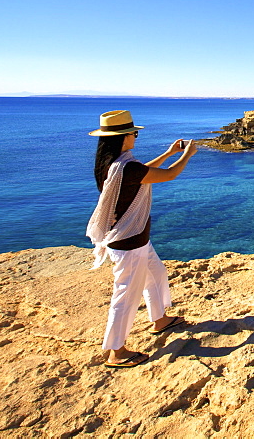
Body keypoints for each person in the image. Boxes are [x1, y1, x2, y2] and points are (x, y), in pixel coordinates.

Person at [85, 109, 197, 368]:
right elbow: (169, 175)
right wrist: (187, 156)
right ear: (124, 136)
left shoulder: (111, 164)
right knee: (126, 296)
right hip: (129, 242)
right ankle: (116, 351)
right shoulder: (127, 167)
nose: (136, 136)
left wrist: (170, 153)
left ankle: (160, 319)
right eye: (134, 133)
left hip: (135, 239)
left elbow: (144, 171)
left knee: (156, 274)